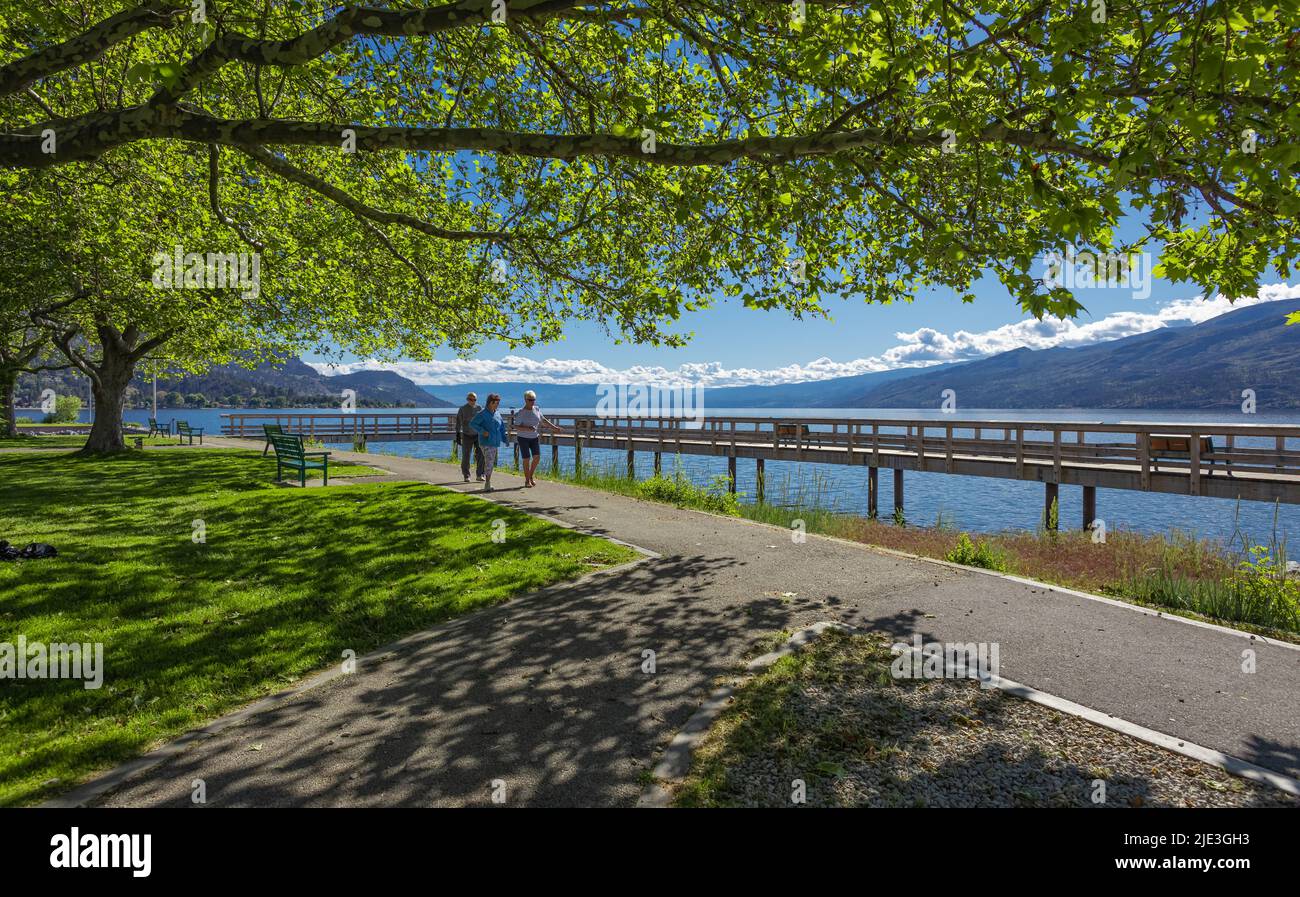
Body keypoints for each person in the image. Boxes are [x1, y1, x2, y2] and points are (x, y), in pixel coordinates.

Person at [513, 390, 565, 488]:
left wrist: (555, 428)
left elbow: (543, 420)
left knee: (537, 458)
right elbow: (516, 426)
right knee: (526, 459)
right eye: (530, 400)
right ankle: (527, 480)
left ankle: (530, 475)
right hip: (523, 438)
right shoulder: (521, 412)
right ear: (525, 400)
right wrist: (527, 428)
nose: (532, 402)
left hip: (534, 437)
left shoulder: (536, 409)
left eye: (533, 400)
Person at [468, 394, 507, 492]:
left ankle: (488, 482)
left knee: (490, 462)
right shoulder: (482, 413)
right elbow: (472, 423)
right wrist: (482, 431)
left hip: (495, 442)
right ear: (490, 402)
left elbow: (502, 428)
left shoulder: (497, 414)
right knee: (489, 462)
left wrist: (505, 439)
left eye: (498, 403)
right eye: (496, 403)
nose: (497, 405)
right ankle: (487, 484)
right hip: (486, 442)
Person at [455, 392, 485, 482]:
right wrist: (457, 434)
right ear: (467, 399)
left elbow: (483, 421)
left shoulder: (479, 408)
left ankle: (480, 474)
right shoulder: (463, 409)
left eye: (474, 400)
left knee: (481, 455)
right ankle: (466, 475)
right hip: (466, 435)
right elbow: (458, 422)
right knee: (466, 456)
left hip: (478, 435)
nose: (473, 401)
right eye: (471, 399)